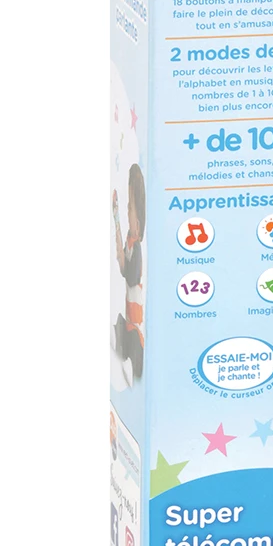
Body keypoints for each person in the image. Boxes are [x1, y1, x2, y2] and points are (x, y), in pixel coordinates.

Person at [113, 164, 146, 384]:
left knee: (131, 338)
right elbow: (121, 262)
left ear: (138, 223)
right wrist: (116, 220)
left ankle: (130, 363)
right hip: (129, 313)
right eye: (127, 206)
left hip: (135, 319)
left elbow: (129, 273)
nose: (128, 210)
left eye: (130, 208)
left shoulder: (138, 249)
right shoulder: (129, 240)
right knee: (120, 327)